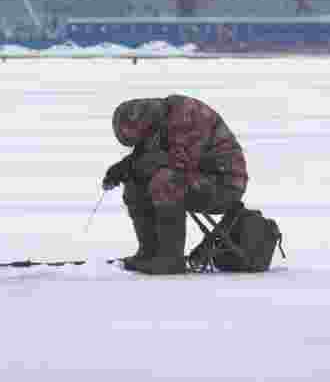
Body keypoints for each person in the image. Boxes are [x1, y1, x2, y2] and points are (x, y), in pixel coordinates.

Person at [102, 95, 248, 275]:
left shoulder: (186, 115)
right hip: (197, 178)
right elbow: (147, 159)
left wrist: (133, 166)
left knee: (166, 180)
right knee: (135, 182)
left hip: (225, 184)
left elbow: (179, 163)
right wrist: (124, 168)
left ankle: (170, 259)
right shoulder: (158, 121)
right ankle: (149, 253)